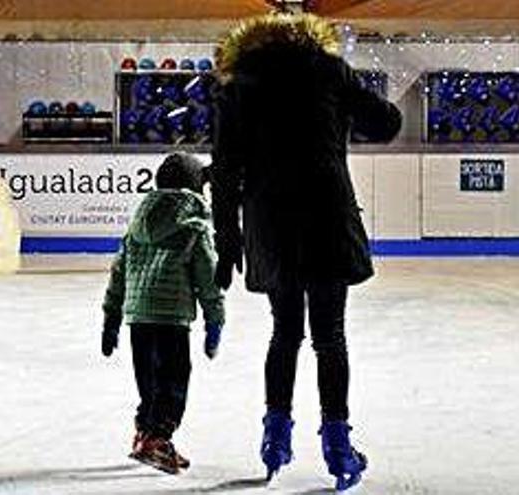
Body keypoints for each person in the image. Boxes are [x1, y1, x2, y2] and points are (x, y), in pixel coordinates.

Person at [210, 13, 402, 491]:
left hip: (271, 224)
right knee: (329, 336)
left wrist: (228, 238)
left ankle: (275, 438)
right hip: (326, 215)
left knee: (285, 333)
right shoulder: (329, 70)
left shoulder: (241, 83)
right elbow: (384, 125)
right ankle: (338, 446)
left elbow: (225, 170)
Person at [101, 152, 225, 475]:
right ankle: (157, 438)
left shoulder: (137, 226)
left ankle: (144, 434)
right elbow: (207, 276)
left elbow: (118, 273)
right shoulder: (193, 227)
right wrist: (215, 320)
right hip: (171, 318)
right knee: (172, 382)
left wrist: (111, 319)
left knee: (149, 381)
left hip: (137, 318)